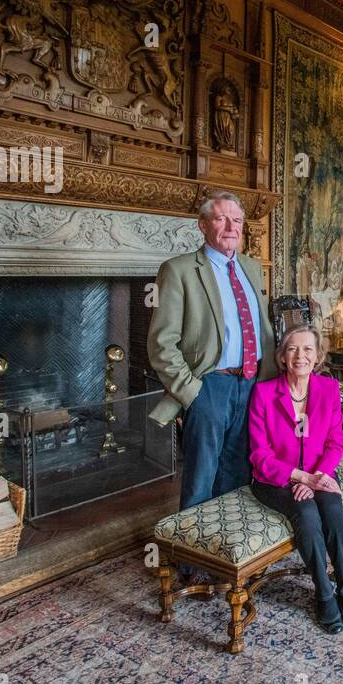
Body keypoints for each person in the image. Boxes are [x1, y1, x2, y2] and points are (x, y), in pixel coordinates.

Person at [147, 192, 276, 581]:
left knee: (237, 472)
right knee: (201, 475)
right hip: (210, 387)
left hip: (252, 383)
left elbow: (262, 327)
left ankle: (224, 556)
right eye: (220, 220)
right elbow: (161, 343)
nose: (230, 227)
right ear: (203, 226)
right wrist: (191, 392)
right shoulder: (180, 270)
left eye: (236, 221)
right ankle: (189, 561)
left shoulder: (253, 268)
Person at [247, 325, 343, 634]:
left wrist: (319, 476)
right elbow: (260, 455)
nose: (301, 356)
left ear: (318, 355)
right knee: (307, 514)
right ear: (283, 356)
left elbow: (336, 440)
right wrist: (301, 478)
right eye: (293, 349)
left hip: (318, 473)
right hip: (274, 481)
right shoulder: (264, 393)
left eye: (308, 349)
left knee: (333, 509)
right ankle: (324, 593)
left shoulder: (328, 389)